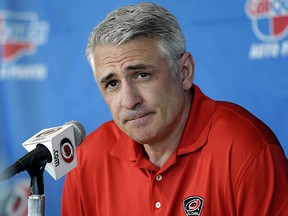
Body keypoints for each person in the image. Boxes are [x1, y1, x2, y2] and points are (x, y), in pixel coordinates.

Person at [62, 2, 288, 215]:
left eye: (142, 75)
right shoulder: (88, 160)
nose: (129, 101)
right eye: (112, 84)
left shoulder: (246, 148)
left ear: (184, 72)